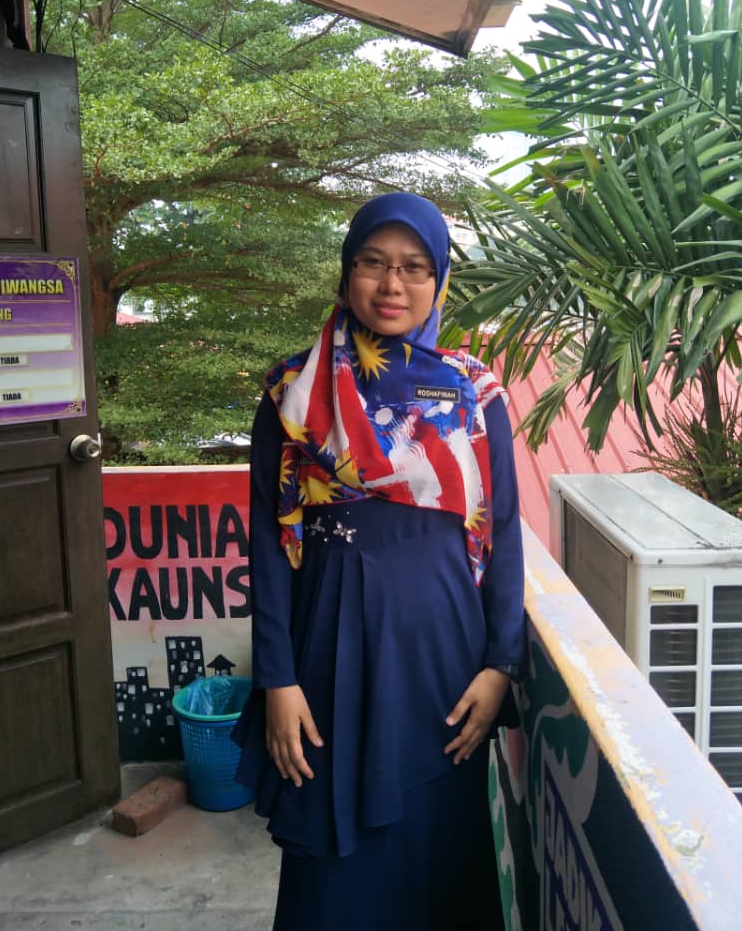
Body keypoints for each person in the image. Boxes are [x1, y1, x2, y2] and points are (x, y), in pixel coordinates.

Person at [234, 192, 527, 931]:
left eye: (414, 267)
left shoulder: (474, 393)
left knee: (437, 847)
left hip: (444, 655)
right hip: (328, 647)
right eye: (373, 262)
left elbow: (503, 529)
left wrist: (500, 664)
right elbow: (267, 542)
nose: (392, 285)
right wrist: (277, 679)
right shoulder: (291, 394)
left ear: (439, 281)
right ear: (346, 273)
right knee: (332, 862)